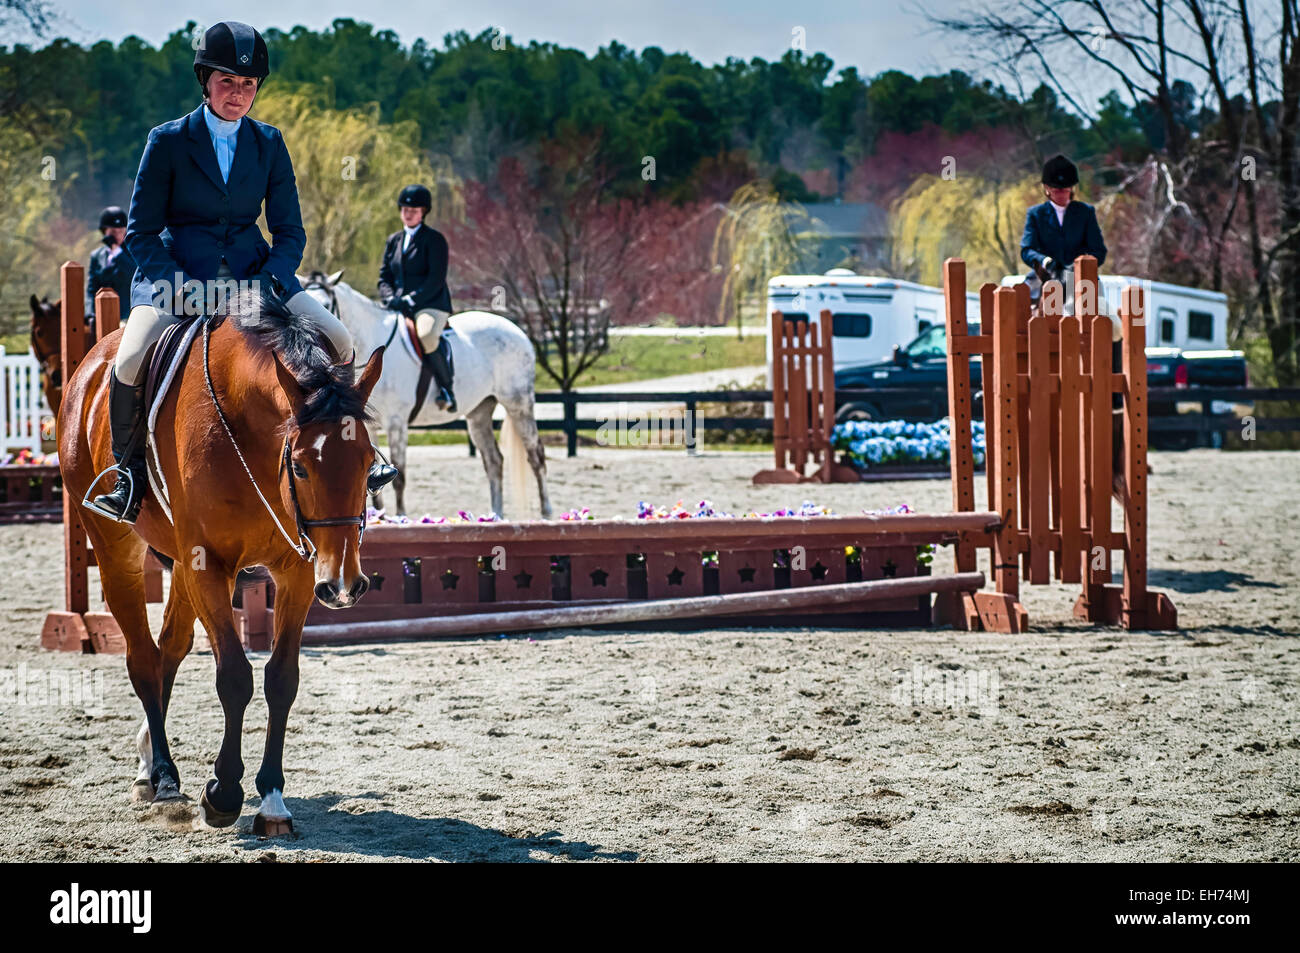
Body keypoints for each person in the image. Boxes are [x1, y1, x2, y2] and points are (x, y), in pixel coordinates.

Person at [86, 20, 396, 524]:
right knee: (130, 357)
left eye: (248, 84)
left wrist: (268, 281)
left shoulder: (269, 143)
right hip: (177, 277)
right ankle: (127, 474)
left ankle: (361, 454)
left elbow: (290, 233)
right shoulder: (166, 141)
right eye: (228, 81)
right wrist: (182, 286)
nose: (238, 94)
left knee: (339, 341)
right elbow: (141, 233)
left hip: (256, 277)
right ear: (205, 81)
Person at [378, 184, 456, 412]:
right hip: (398, 305)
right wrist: (389, 296)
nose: (408, 212)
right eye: (404, 208)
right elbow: (384, 276)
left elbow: (436, 279)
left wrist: (411, 299)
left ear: (424, 212)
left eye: (414, 209)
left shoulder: (434, 240)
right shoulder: (393, 241)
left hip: (430, 304)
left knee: (427, 335)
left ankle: (446, 389)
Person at [1019, 154, 1107, 294]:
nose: (1062, 194)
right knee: (1021, 301)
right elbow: (1027, 250)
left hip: (1079, 277)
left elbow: (1099, 251)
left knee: (1100, 305)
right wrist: (1046, 261)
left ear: (1072, 188)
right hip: (1045, 275)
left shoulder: (1086, 212)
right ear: (1047, 188)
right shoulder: (1036, 214)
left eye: (1065, 189)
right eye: (1056, 190)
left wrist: (1079, 265)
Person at [86, 206, 137, 325]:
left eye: (121, 231)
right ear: (105, 231)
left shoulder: (133, 252)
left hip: (127, 316)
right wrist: (90, 313)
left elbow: (132, 272)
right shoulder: (96, 256)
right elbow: (91, 288)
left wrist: (116, 250)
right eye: (113, 232)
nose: (118, 236)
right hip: (102, 315)